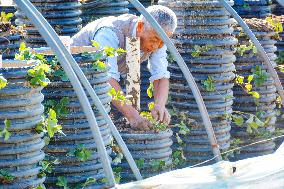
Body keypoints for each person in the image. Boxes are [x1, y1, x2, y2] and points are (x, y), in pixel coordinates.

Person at [71, 5, 177, 131]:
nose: (156, 46)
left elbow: (161, 75)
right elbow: (106, 80)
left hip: (97, 82)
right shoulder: (109, 32)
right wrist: (133, 116)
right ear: (140, 27)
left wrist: (159, 105)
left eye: (162, 43)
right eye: (154, 40)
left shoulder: (156, 39)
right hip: (72, 78)